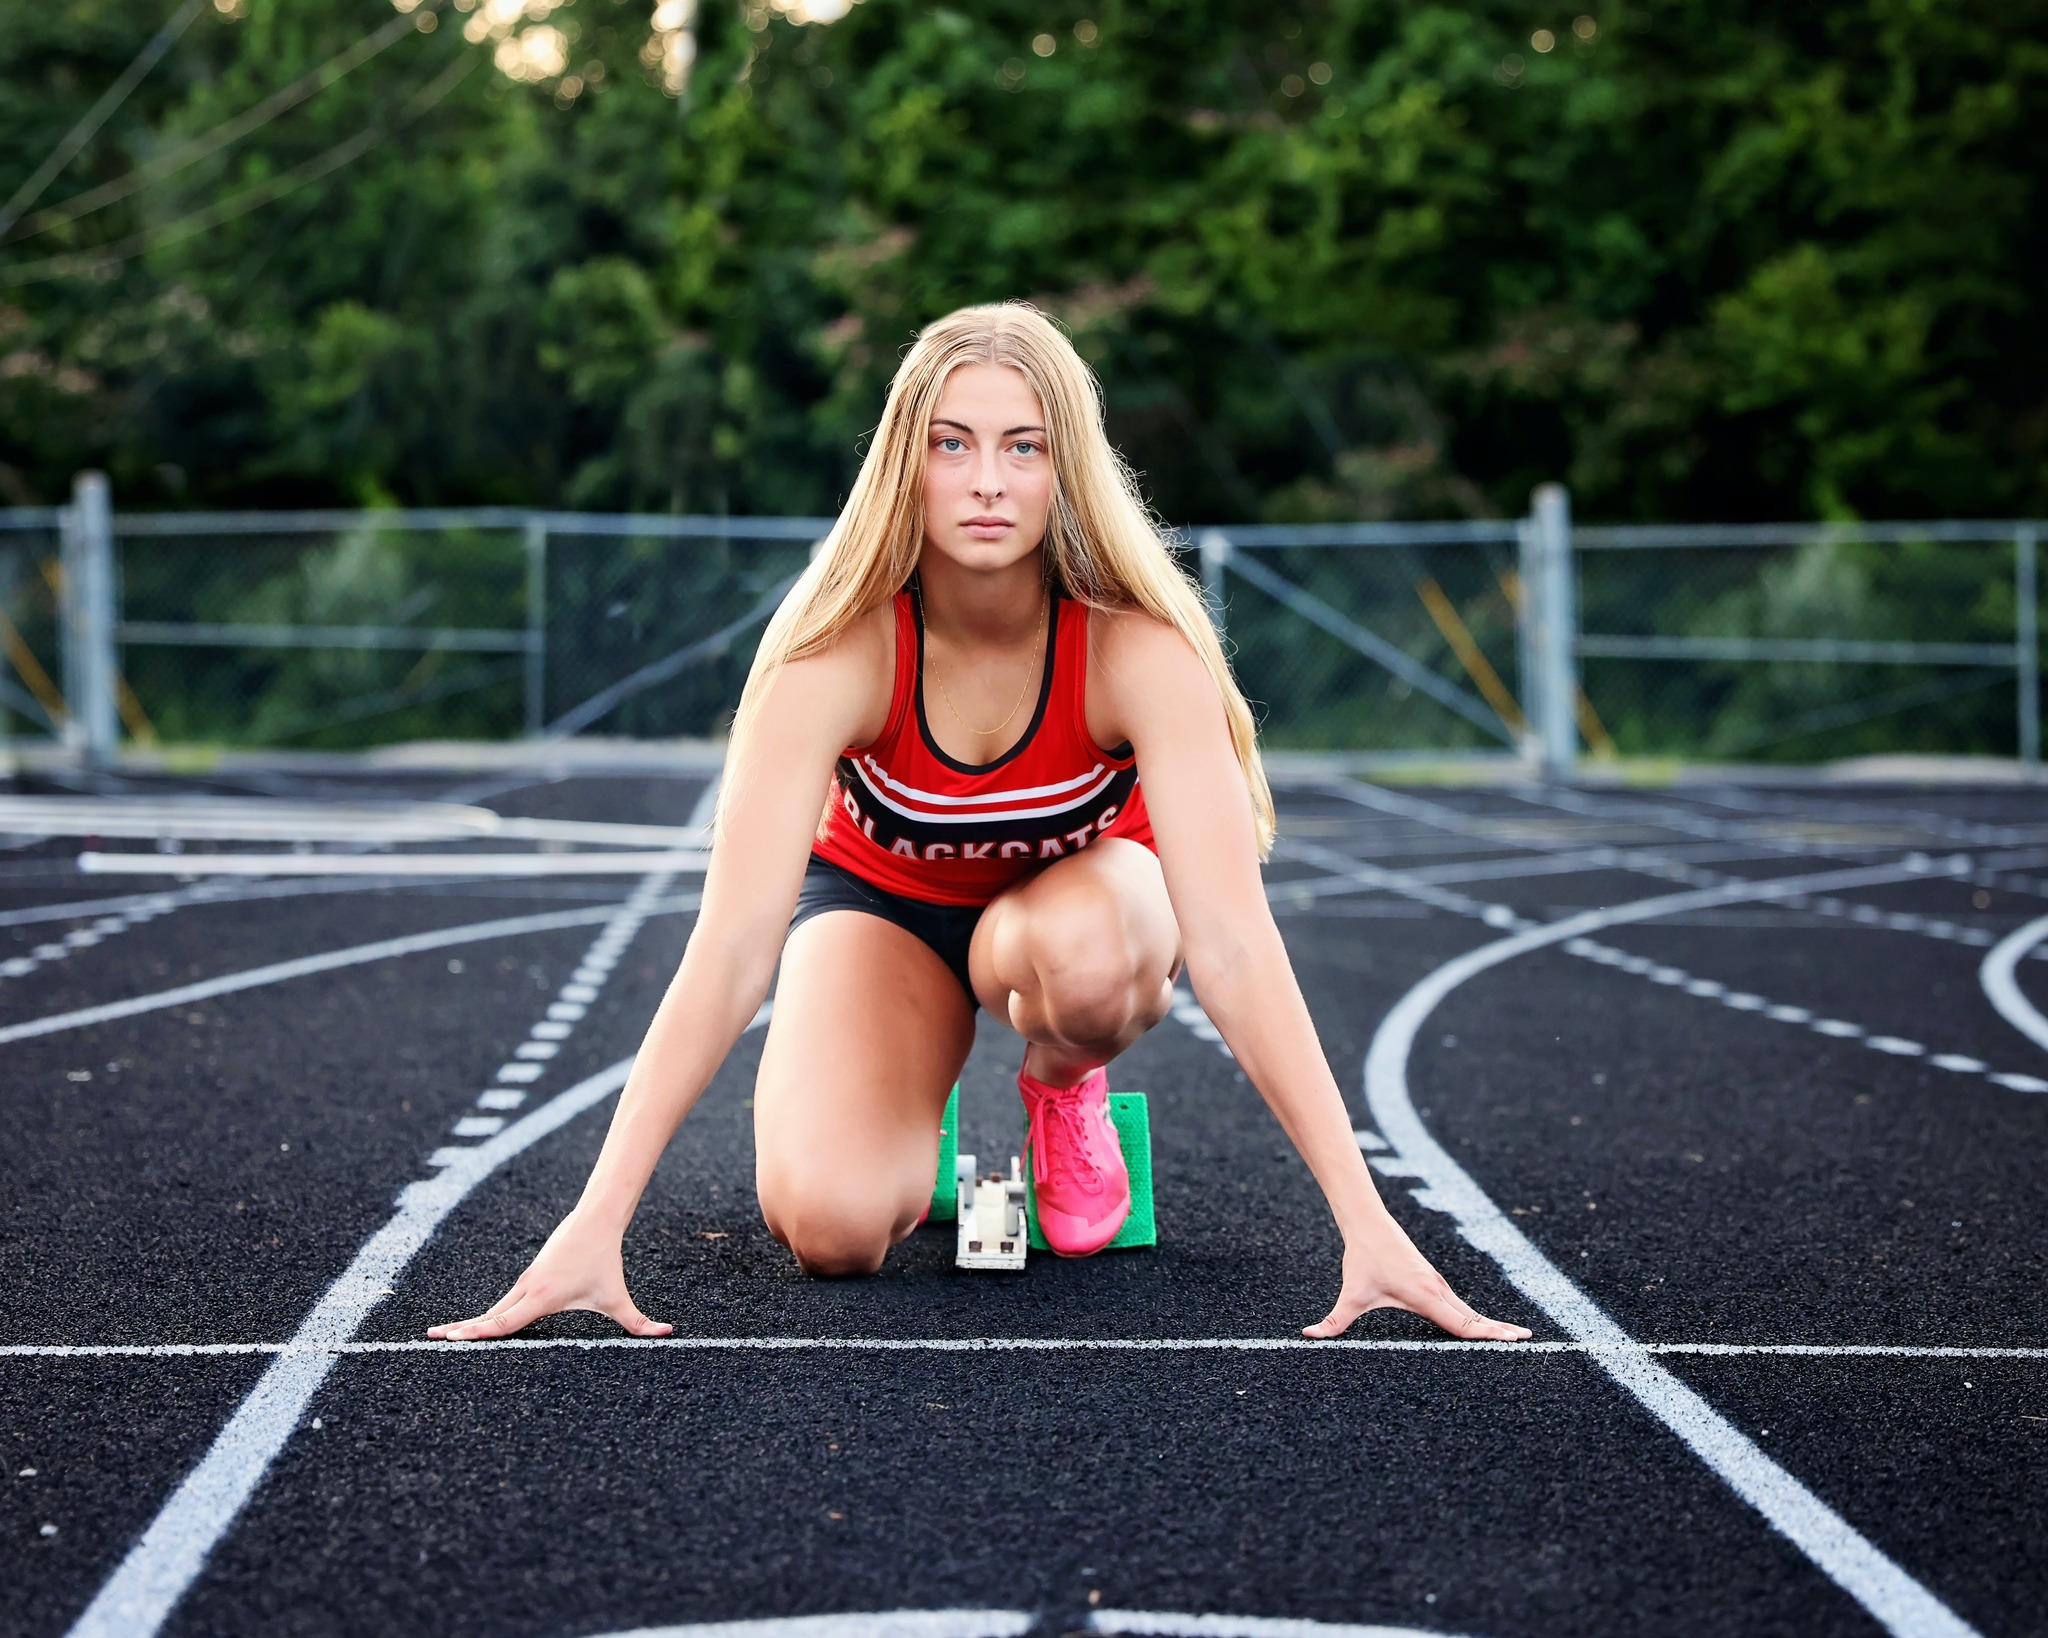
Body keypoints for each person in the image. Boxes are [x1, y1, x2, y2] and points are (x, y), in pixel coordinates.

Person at [431, 302, 1531, 1345]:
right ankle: (910, 1101)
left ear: (1070, 466)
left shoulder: (1138, 654)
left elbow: (1236, 945)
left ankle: (1060, 1090)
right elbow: (727, 949)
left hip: (1069, 925)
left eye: (1023, 446)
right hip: (885, 920)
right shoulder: (835, 654)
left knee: (1089, 958)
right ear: (902, 459)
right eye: (951, 445)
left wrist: (1367, 1223)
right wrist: (595, 1221)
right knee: (833, 1228)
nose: (987, 482)